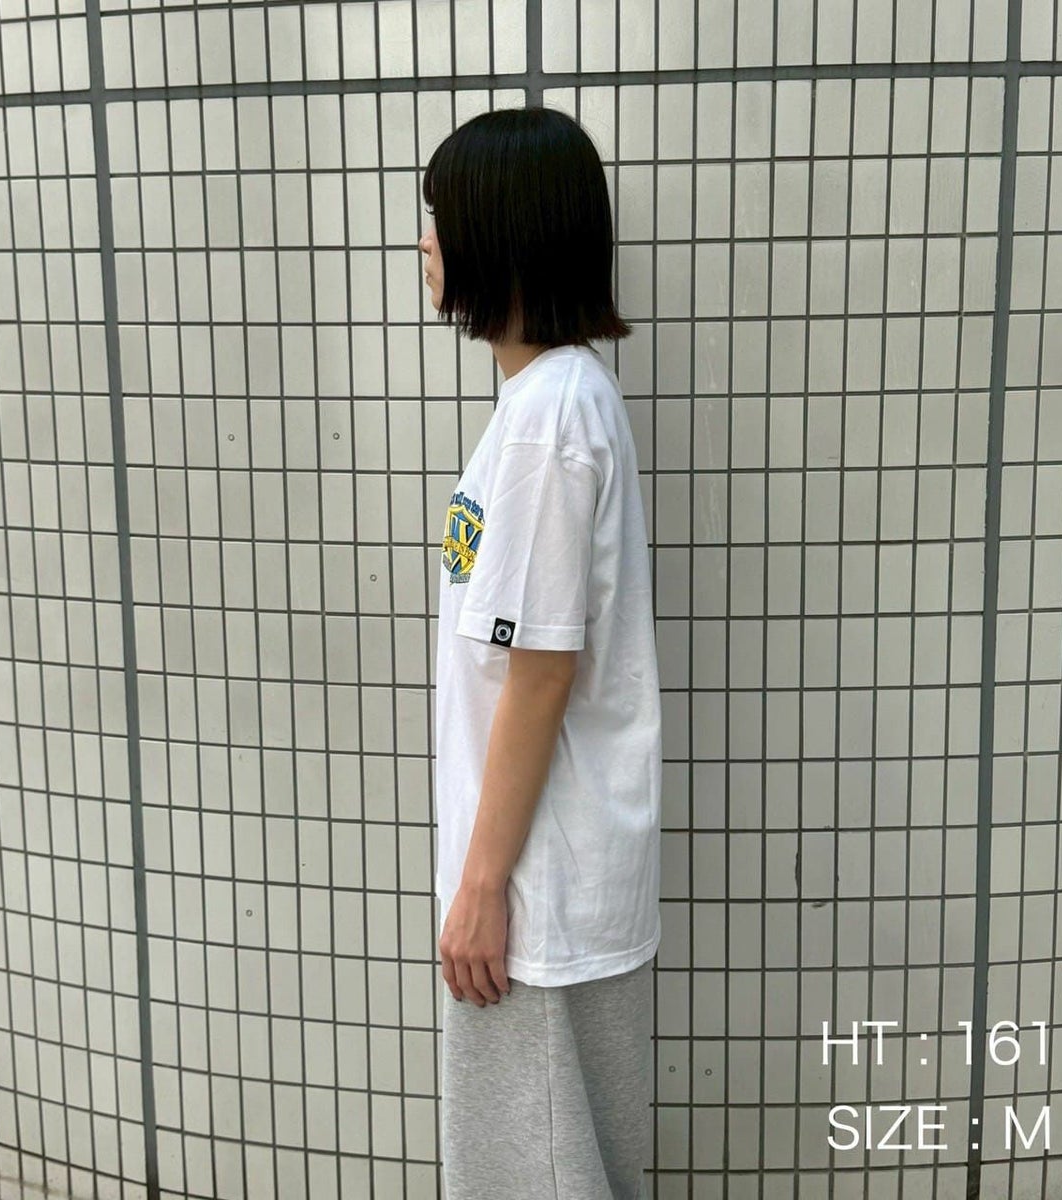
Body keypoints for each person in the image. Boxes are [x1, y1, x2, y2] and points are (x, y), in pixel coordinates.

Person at [419, 105, 663, 1200]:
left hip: (534, 904)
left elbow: (541, 668)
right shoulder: (552, 401)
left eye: (442, 217)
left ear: (503, 233)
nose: (426, 243)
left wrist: (481, 890)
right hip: (547, 888)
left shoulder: (550, 419)